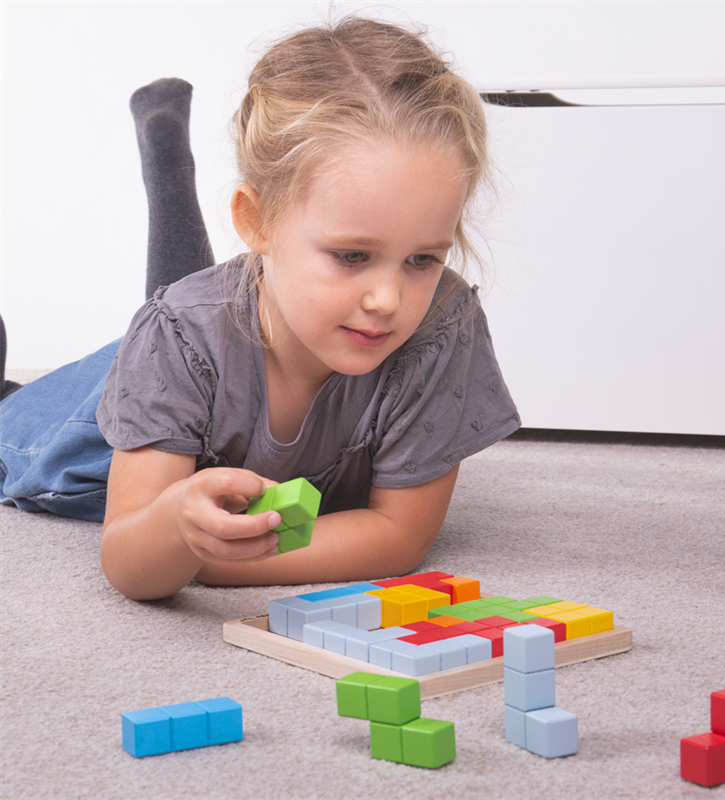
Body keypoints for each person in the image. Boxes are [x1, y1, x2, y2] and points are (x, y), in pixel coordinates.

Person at [0, 17, 519, 601]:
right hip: (119, 403)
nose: (387, 301)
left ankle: (170, 175)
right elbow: (127, 561)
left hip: (208, 348)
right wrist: (176, 527)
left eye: (422, 260)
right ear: (255, 220)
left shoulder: (439, 328)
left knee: (193, 322)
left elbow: (398, 537)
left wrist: (217, 563)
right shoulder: (177, 337)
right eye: (352, 255)